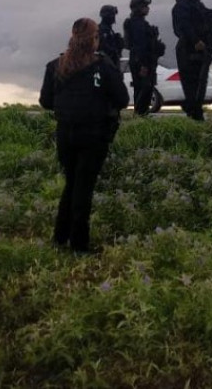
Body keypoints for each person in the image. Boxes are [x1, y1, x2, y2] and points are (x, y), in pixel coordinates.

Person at [39, 18, 130, 254]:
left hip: (65, 134)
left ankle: (60, 237)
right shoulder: (102, 66)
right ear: (94, 39)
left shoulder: (55, 66)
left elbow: (45, 101)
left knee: (72, 184)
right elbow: (122, 99)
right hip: (94, 134)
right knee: (83, 187)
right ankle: (79, 244)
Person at [172, 0, 212, 121]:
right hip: (188, 48)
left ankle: (196, 112)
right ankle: (194, 114)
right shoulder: (182, 6)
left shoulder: (199, 6)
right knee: (191, 84)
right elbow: (184, 26)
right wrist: (196, 40)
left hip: (200, 49)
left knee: (200, 83)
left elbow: (209, 18)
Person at [123, 0, 165, 116]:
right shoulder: (136, 24)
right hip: (141, 61)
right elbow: (139, 45)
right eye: (144, 6)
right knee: (144, 88)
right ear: (137, 8)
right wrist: (143, 65)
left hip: (145, 61)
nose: (147, 8)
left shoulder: (142, 23)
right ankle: (140, 115)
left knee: (147, 88)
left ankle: (142, 114)